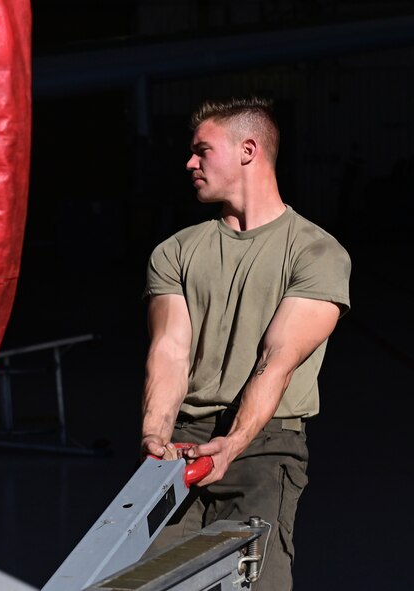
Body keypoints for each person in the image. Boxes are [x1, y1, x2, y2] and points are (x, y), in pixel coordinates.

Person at [140, 97, 350, 590]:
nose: (189, 163)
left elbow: (275, 362)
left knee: (254, 582)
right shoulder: (174, 252)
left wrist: (233, 444)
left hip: (264, 444)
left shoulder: (316, 251)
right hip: (182, 444)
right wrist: (156, 434)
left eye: (202, 151)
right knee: (153, 580)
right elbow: (169, 351)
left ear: (248, 150)